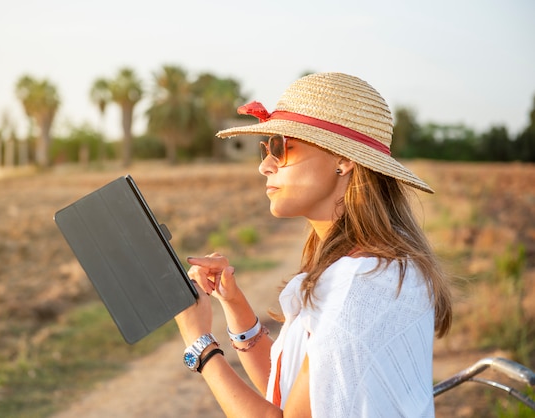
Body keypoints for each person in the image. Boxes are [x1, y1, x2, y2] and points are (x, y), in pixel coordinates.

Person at [174, 72, 452, 417]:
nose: (265, 166)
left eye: (282, 148)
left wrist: (199, 344)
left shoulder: (362, 284)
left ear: (343, 160)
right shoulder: (366, 268)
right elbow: (293, 396)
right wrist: (234, 304)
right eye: (266, 149)